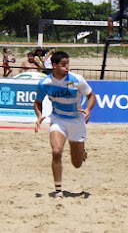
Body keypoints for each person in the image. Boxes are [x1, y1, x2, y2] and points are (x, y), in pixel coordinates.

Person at [34, 51, 96, 198]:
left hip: (76, 121)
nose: (67, 67)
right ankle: (58, 190)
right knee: (56, 151)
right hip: (58, 119)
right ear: (54, 65)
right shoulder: (45, 83)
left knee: (77, 163)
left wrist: (87, 109)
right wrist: (39, 116)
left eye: (68, 64)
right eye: (63, 65)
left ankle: (82, 152)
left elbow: (91, 96)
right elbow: (38, 102)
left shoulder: (76, 80)